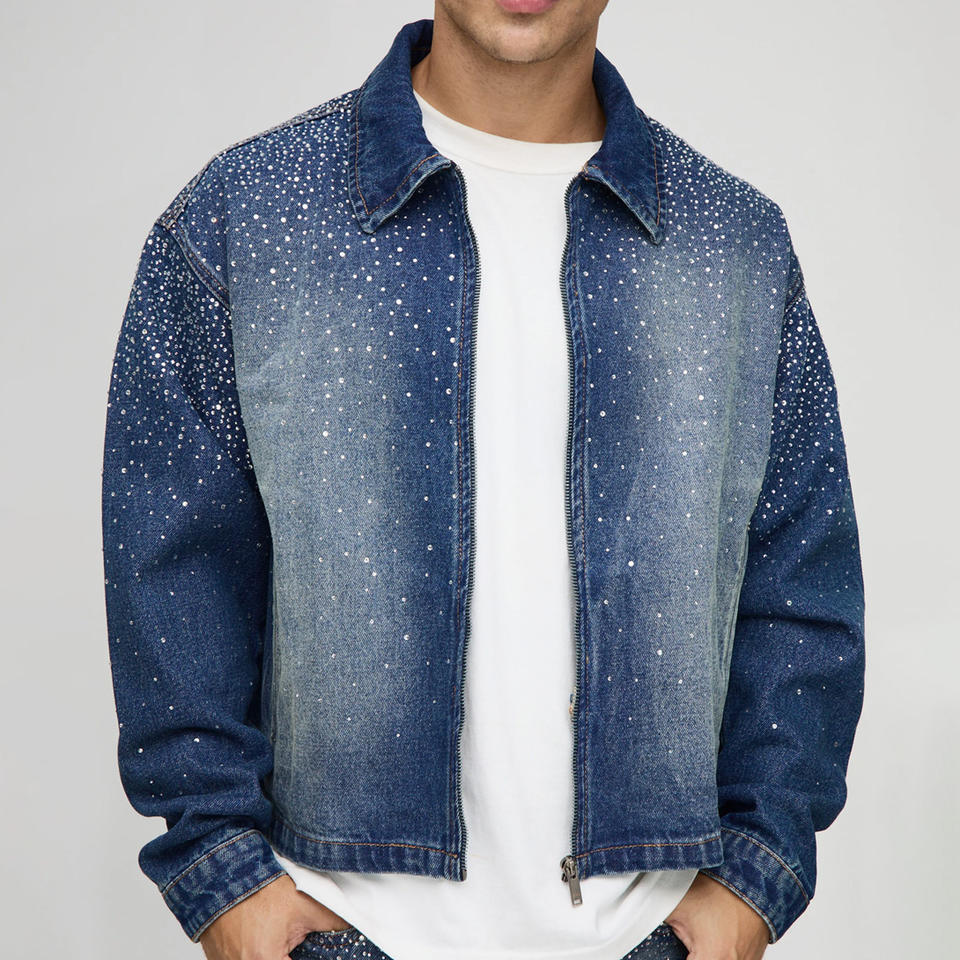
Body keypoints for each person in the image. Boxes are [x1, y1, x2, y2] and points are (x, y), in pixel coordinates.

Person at [100, 3, 866, 960]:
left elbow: (802, 586)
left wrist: (754, 879)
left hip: (651, 932)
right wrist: (226, 885)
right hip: (340, 930)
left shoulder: (735, 243)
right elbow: (175, 573)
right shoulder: (244, 214)